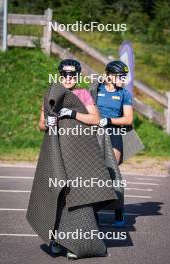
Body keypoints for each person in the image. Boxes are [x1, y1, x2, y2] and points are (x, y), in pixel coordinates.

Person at [38, 59, 102, 259]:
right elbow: (40, 125)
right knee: (57, 195)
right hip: (57, 152)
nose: (68, 78)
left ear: (78, 75)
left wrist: (73, 113)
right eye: (65, 75)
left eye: (72, 75)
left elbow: (96, 119)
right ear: (60, 75)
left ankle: (77, 243)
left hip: (77, 154)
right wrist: (47, 122)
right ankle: (57, 240)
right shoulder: (51, 93)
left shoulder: (83, 94)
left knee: (76, 196)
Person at [96, 60, 133, 227]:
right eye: (120, 76)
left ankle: (119, 209)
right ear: (110, 75)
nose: (123, 79)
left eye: (125, 76)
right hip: (96, 134)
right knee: (95, 173)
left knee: (112, 172)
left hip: (114, 133)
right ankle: (94, 210)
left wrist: (108, 120)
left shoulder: (125, 94)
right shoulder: (97, 89)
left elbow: (128, 119)